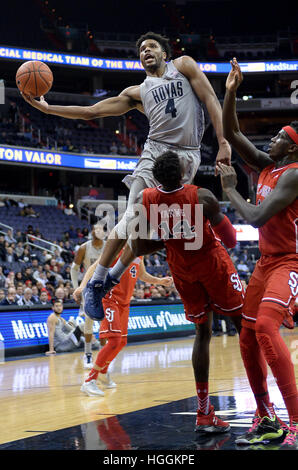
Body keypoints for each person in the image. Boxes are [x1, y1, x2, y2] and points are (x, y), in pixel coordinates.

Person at [21, 31, 231, 316]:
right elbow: (91, 112)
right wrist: (47, 109)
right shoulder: (137, 93)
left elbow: (210, 99)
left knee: (152, 234)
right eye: (142, 48)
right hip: (154, 153)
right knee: (133, 216)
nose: (146, 51)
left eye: (152, 46)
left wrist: (222, 142)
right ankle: (97, 283)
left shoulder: (184, 66)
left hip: (188, 156)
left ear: (164, 54)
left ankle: (113, 276)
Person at [127, 150, 244, 433]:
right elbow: (231, 241)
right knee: (244, 326)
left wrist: (169, 242)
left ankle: (204, 412)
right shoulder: (203, 197)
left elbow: (139, 247)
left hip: (181, 270)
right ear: (182, 173)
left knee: (202, 333)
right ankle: (265, 408)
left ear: (156, 177)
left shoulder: (146, 199)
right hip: (211, 263)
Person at [218, 58, 298, 448]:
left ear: (293, 147)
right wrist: (231, 90)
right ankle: (265, 414)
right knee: (247, 338)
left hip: (290, 261)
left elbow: (254, 214)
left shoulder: (294, 174)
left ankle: (296, 422)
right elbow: (231, 131)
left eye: (279, 137)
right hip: (266, 263)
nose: (271, 140)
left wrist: (230, 189)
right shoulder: (270, 165)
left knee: (266, 327)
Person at [73, 243, 173, 396]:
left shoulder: (139, 253)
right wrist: (81, 286)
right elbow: (94, 266)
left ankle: (103, 373)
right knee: (113, 340)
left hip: (125, 303)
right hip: (109, 299)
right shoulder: (116, 249)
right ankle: (89, 380)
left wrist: (160, 281)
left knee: (121, 342)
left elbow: (142, 275)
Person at [71, 224, 106, 368]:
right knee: (89, 322)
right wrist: (77, 288)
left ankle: (104, 355)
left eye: (100, 229)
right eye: (94, 229)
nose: (96, 231)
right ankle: (88, 355)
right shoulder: (84, 248)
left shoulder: (110, 246)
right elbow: (74, 269)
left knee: (105, 323)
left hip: (107, 287)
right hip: (89, 288)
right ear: (91, 232)